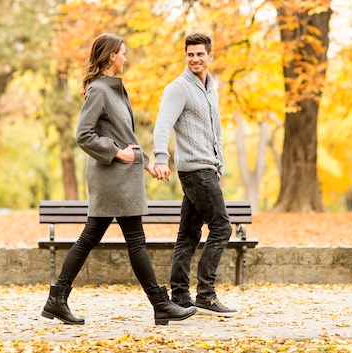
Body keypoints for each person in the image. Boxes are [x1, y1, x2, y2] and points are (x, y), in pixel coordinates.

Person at [41, 33, 196, 326]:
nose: (126, 58)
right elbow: (83, 135)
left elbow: (127, 140)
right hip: (112, 177)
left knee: (92, 238)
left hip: (120, 176)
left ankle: (57, 298)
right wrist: (117, 154)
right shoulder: (100, 90)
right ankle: (160, 303)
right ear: (112, 56)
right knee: (134, 240)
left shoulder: (114, 89)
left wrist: (146, 163)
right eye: (123, 53)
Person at [152, 33, 238, 317]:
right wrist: (161, 157)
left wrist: (220, 164)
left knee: (188, 235)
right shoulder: (178, 89)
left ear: (209, 56)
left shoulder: (211, 88)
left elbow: (216, 130)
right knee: (222, 227)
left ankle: (179, 296)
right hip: (194, 169)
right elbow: (162, 125)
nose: (195, 59)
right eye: (190, 54)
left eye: (200, 54)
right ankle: (206, 294)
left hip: (207, 169)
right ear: (185, 57)